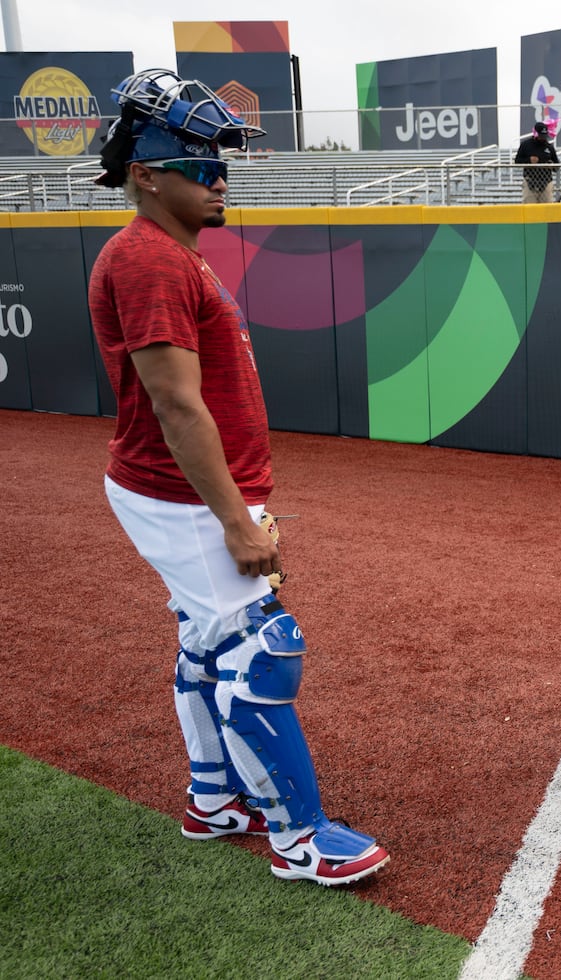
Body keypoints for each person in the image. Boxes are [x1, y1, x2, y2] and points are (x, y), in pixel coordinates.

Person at [87, 69, 389, 885]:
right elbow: (175, 403)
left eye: (219, 162)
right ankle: (300, 838)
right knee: (261, 647)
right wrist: (235, 520)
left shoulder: (169, 254)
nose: (218, 177)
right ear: (146, 176)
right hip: (180, 494)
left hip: (182, 489)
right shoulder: (148, 258)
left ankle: (214, 799)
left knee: (204, 643)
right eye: (197, 165)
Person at [514, 121, 559, 203]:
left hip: (546, 181)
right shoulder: (525, 145)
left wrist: (552, 165)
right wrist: (529, 160)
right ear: (536, 134)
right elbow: (517, 161)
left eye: (544, 136)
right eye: (541, 136)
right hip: (530, 180)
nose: (543, 138)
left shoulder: (549, 147)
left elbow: (557, 166)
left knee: (547, 207)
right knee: (530, 207)